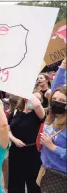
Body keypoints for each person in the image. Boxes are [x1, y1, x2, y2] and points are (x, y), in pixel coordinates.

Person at [8, 91, 45, 193]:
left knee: (33, 184)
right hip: (16, 151)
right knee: (15, 182)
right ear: (25, 98)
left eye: (39, 99)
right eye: (34, 97)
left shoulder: (39, 116)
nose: (37, 101)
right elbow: (7, 130)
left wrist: (27, 88)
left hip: (33, 153)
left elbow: (37, 105)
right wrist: (14, 139)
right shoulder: (15, 112)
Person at [39, 58, 66, 193]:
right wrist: (63, 66)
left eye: (62, 101)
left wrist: (52, 147)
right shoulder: (54, 118)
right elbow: (57, 89)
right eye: (54, 100)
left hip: (61, 177)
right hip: (46, 171)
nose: (56, 102)